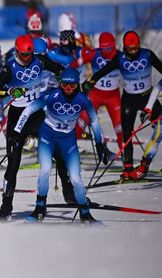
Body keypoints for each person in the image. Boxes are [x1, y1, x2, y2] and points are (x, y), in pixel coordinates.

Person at [0, 34, 76, 221]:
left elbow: (61, 71)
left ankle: (68, 191)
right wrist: (10, 91)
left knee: (58, 152)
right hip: (17, 119)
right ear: (16, 51)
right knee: (13, 164)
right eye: (23, 55)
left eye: (29, 55)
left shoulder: (40, 61)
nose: (27, 59)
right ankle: (6, 206)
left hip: (37, 115)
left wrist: (66, 85)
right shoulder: (10, 67)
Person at [16, 68, 104, 223]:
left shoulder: (83, 99)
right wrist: (17, 131)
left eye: (72, 86)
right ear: (60, 84)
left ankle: (85, 213)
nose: (68, 90)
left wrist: (99, 143)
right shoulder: (51, 96)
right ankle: (39, 209)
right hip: (47, 137)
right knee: (44, 171)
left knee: (76, 179)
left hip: (68, 141)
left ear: (78, 85)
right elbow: (29, 109)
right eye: (64, 85)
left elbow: (94, 120)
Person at [85, 31, 162, 180]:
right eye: (130, 49)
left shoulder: (147, 55)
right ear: (125, 47)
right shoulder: (120, 59)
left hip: (148, 96)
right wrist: (90, 83)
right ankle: (128, 167)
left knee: (160, 126)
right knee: (127, 134)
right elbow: (102, 71)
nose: (134, 52)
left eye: (136, 48)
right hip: (129, 100)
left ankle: (145, 163)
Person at [71, 32, 122, 154]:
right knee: (81, 123)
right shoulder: (94, 54)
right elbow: (76, 63)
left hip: (113, 97)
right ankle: (67, 153)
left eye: (109, 48)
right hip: (96, 95)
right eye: (103, 48)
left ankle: (127, 161)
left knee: (120, 128)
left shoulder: (120, 56)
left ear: (113, 46)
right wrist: (63, 72)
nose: (106, 52)